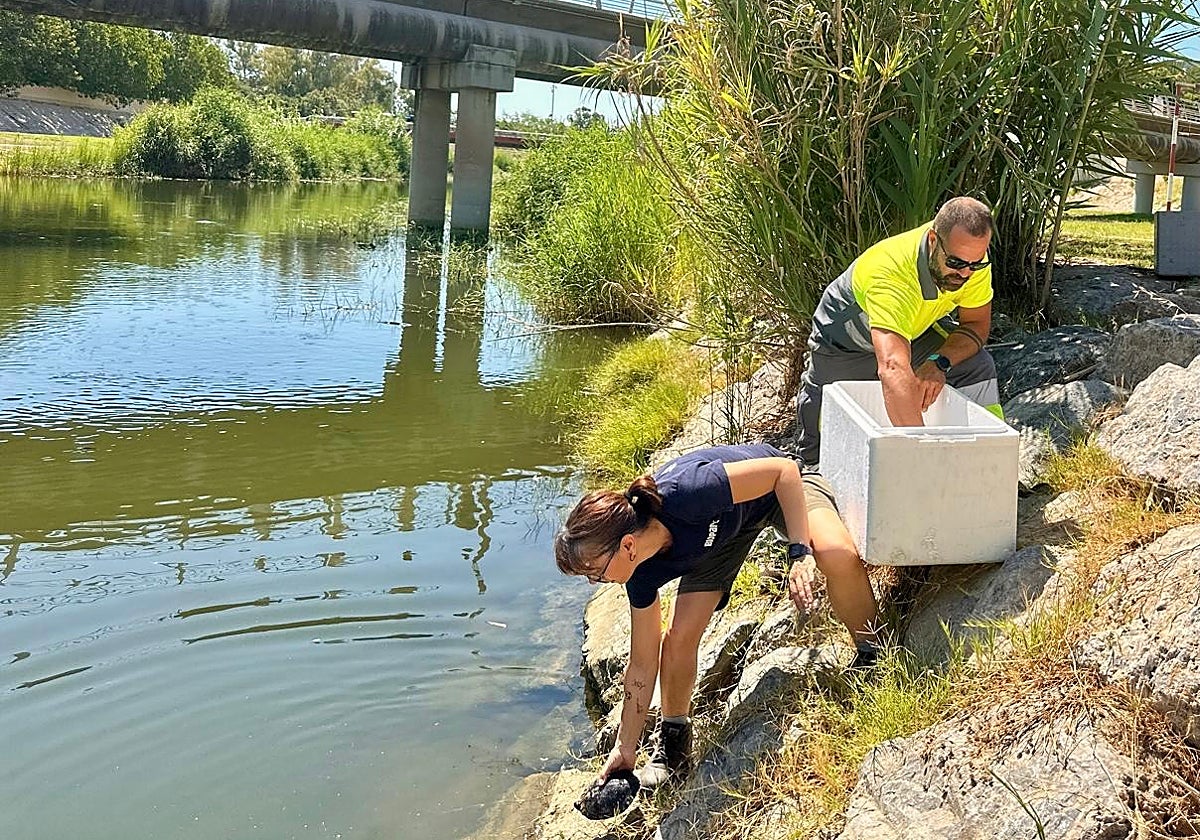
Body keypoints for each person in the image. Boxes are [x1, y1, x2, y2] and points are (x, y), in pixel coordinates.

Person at [554, 443, 878, 790]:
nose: (595, 581)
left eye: (596, 572)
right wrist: (625, 748)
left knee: (835, 551)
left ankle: (873, 653)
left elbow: (783, 472)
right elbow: (643, 662)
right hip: (718, 540)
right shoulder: (640, 574)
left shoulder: (687, 492)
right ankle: (674, 753)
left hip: (779, 492)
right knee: (678, 640)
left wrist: (800, 551)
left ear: (628, 545)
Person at [796, 196, 1002, 465]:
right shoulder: (891, 273)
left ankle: (991, 459)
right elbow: (892, 367)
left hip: (912, 331)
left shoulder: (971, 259)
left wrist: (938, 362)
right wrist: (924, 462)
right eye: (955, 263)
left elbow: (975, 325)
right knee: (823, 434)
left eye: (975, 264)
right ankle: (809, 469)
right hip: (846, 344)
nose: (965, 274)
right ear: (932, 240)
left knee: (976, 365)